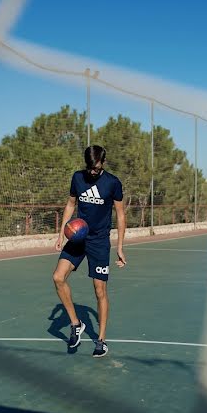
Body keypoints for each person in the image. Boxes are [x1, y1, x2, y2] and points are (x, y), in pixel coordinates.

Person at [52, 145, 127, 357]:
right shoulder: (77, 178)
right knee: (58, 277)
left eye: (95, 168)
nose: (92, 172)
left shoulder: (113, 183)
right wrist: (61, 234)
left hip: (99, 242)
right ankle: (76, 324)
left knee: (99, 290)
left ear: (103, 162)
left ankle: (101, 341)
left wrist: (120, 246)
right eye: (89, 168)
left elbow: (120, 215)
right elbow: (70, 205)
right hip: (78, 237)